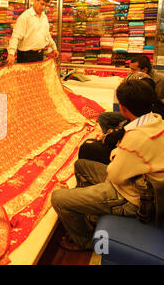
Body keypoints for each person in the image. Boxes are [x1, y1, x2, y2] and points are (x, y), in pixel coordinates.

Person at [51, 79, 164, 251]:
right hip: (140, 183)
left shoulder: (136, 137)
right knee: (81, 165)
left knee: (58, 198)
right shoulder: (158, 121)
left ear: (124, 108)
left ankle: (85, 240)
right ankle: (91, 215)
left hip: (133, 197)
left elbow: (114, 175)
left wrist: (115, 153)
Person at [97, 55, 160, 133]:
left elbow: (156, 104)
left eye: (133, 69)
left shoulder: (158, 81)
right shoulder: (133, 77)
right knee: (103, 117)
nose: (130, 72)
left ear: (144, 70)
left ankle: (117, 135)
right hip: (134, 112)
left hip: (147, 114)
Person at [7, 0, 59, 65]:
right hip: (26, 57)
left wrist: (54, 47)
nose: (44, 7)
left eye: (46, 5)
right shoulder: (25, 17)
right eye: (42, 4)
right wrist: (11, 53)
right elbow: (16, 36)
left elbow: (46, 35)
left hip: (39, 55)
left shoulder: (44, 17)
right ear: (35, 1)